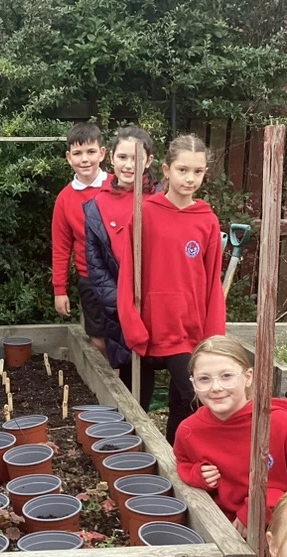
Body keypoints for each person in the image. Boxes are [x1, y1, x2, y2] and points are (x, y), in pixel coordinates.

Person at [117, 134, 226, 444]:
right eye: (182, 170)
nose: (190, 178)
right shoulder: (144, 213)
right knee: (133, 407)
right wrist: (132, 326)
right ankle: (134, 460)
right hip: (147, 328)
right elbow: (127, 276)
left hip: (186, 332)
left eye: (198, 171)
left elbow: (212, 284)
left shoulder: (206, 221)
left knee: (190, 401)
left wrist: (213, 339)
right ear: (166, 170)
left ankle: (177, 458)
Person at [173, 335, 287, 535]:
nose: (216, 388)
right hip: (216, 530)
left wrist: (262, 504)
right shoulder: (189, 430)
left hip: (281, 532)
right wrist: (197, 475)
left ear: (248, 377)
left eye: (226, 376)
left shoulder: (283, 427)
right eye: (204, 379)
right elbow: (182, 463)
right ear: (193, 383)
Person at [84, 125, 157, 374]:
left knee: (175, 370)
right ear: (112, 158)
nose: (128, 165)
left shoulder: (162, 199)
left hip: (157, 303)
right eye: (122, 157)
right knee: (131, 372)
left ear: (149, 161)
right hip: (120, 309)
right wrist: (120, 303)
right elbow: (95, 264)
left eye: (136, 158)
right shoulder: (97, 205)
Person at [52, 122, 111, 353]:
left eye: (91, 152)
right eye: (77, 153)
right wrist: (60, 290)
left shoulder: (118, 187)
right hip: (89, 278)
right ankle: (106, 375)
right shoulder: (64, 199)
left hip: (122, 276)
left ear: (102, 153)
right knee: (97, 338)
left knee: (125, 335)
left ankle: (125, 376)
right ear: (69, 157)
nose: (84, 159)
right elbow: (61, 248)